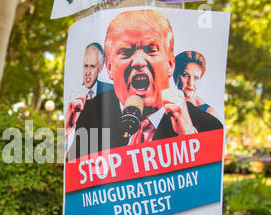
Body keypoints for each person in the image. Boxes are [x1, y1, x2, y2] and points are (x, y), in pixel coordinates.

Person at [66, 10, 223, 159]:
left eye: (151, 50)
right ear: (109, 68)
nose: (139, 62)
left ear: (170, 64)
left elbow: (207, 181)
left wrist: (188, 136)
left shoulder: (206, 125)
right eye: (125, 52)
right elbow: (73, 174)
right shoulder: (89, 113)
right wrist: (67, 132)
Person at [173, 51, 218, 118]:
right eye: (185, 75)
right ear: (175, 75)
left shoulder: (209, 113)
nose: (191, 83)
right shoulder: (165, 105)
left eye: (196, 78)